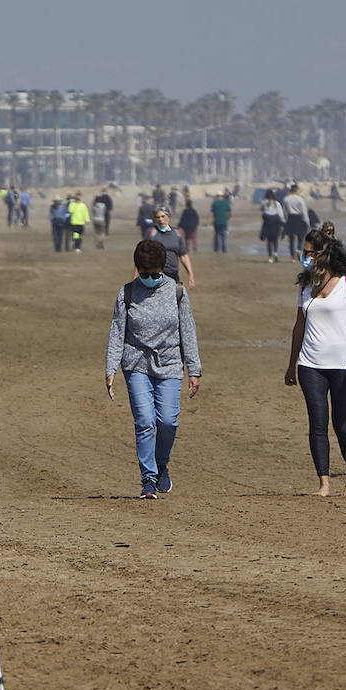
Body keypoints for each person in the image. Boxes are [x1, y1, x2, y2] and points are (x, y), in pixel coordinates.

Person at [105, 240, 202, 499]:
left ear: (163, 269)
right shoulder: (126, 294)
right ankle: (148, 478)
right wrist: (111, 368)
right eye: (144, 273)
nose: (149, 278)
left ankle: (161, 465)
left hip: (170, 363)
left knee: (168, 421)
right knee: (146, 422)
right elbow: (117, 332)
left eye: (155, 274)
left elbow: (188, 331)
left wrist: (194, 369)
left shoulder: (177, 292)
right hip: (136, 364)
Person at [284, 223, 346, 497]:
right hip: (311, 364)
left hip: (344, 363)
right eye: (304, 252)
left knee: (343, 424)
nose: (305, 257)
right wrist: (291, 363)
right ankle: (323, 482)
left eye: (310, 253)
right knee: (317, 422)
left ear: (324, 254)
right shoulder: (305, 284)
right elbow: (299, 326)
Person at [146, 206, 196, 289]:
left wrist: (191, 275)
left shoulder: (177, 233)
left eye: (163, 216)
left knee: (174, 299)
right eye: (157, 217)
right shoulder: (151, 233)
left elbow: (183, 256)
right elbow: (143, 255)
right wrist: (136, 277)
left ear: (168, 217)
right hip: (155, 276)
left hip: (173, 275)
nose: (161, 220)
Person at [282, 183, 308, 261]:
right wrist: (307, 222)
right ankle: (299, 252)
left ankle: (292, 257)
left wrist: (285, 221)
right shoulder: (300, 199)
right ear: (296, 190)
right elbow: (304, 211)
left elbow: (284, 211)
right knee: (301, 238)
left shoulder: (286, 199)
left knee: (291, 239)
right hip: (299, 218)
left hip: (290, 218)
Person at [260, 188, 284, 262]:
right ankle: (275, 253)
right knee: (275, 239)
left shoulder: (264, 202)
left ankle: (270, 257)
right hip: (276, 222)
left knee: (269, 240)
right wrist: (283, 223)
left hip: (267, 222)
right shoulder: (277, 203)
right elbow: (281, 214)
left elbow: (262, 209)